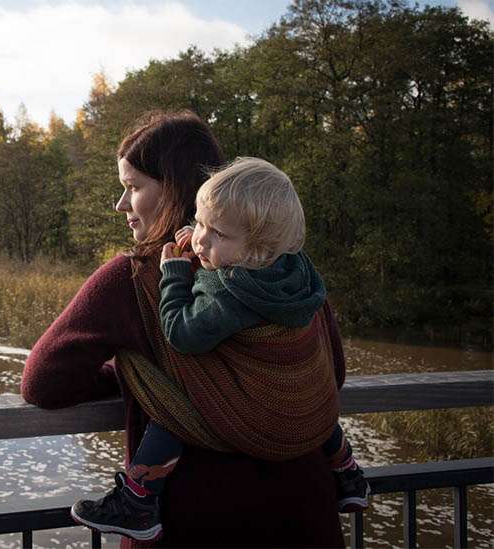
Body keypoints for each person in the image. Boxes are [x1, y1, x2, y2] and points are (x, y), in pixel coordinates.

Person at [21, 110, 347, 547]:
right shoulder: (290, 275)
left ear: (171, 188)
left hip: (193, 524)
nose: (121, 204)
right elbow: (331, 374)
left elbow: (43, 383)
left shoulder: (133, 279)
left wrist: (142, 376)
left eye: (132, 187)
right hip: (305, 518)